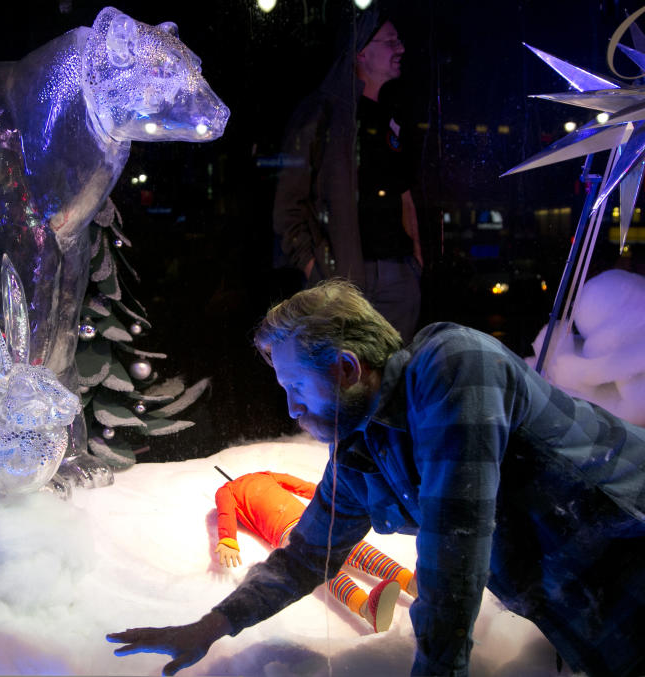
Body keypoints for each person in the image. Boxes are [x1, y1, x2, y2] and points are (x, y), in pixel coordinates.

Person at [108, 279, 645, 676]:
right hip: (581, 609)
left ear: (346, 367)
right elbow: (304, 555)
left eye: (296, 386)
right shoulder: (362, 447)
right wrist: (212, 625)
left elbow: (454, 541)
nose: (292, 408)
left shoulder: (454, 365)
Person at [272, 5, 423, 342]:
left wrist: (414, 259)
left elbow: (403, 191)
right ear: (361, 53)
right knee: (347, 385)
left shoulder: (391, 115)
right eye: (390, 41)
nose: (401, 49)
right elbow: (288, 204)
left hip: (399, 274)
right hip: (346, 280)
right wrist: (318, 272)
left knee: (393, 378)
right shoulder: (321, 113)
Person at [214, 470, 415, 632]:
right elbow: (299, 486)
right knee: (344, 552)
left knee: (327, 561)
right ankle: (376, 600)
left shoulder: (240, 485)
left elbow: (298, 486)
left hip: (306, 521)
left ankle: (401, 586)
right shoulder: (235, 487)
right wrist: (228, 539)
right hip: (302, 524)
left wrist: (329, 496)